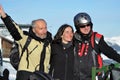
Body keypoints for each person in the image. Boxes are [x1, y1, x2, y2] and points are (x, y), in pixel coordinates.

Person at [0, 5, 52, 80]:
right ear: (34, 30)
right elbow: (14, 28)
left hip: (43, 76)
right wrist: (3, 15)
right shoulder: (25, 39)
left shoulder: (49, 42)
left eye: (45, 28)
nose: (44, 31)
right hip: (26, 75)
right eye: (41, 28)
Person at [73, 12, 120, 80]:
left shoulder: (96, 39)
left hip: (93, 77)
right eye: (82, 26)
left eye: (88, 25)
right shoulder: (73, 40)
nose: (86, 28)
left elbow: (110, 52)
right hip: (75, 77)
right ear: (77, 27)